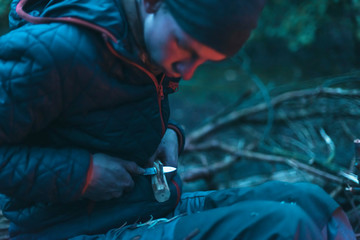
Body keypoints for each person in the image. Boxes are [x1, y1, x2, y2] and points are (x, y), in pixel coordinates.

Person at [0, 0, 355, 239]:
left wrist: (168, 134)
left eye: (203, 59)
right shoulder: (51, 51)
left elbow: (110, 119)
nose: (188, 70)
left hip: (138, 208)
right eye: (185, 48)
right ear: (152, 2)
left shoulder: (144, 41)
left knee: (309, 201)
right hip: (71, 229)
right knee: (284, 227)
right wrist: (83, 173)